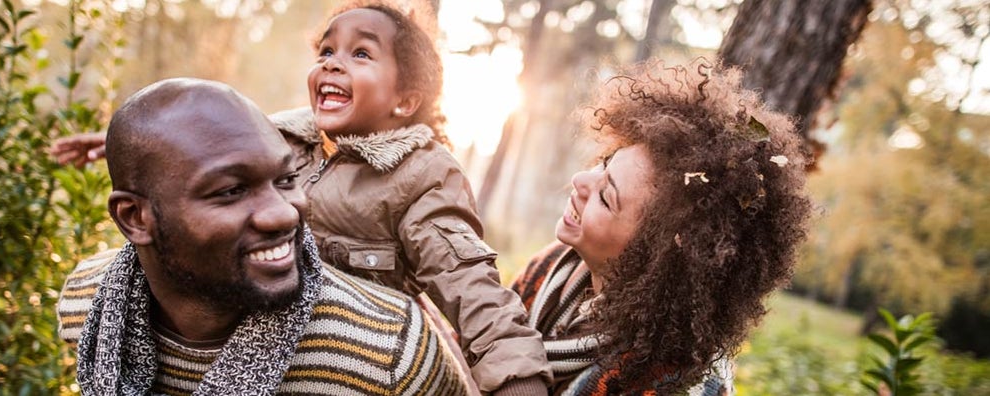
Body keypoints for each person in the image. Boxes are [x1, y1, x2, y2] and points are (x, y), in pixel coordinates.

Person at [51, 2, 551, 394]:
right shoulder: (285, 138)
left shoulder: (420, 175)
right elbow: (190, 148)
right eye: (326, 52)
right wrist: (114, 143)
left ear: (405, 100)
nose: (333, 64)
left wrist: (516, 377)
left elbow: (470, 284)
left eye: (360, 54)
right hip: (252, 315)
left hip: (351, 344)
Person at [56, 77, 471, 395]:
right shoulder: (83, 304)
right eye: (230, 191)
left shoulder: (389, 352)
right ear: (135, 218)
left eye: (287, 178)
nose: (283, 212)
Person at [510, 59, 813, 395]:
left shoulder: (679, 385)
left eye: (606, 198)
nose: (580, 180)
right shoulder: (553, 266)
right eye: (605, 163)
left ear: (653, 255)